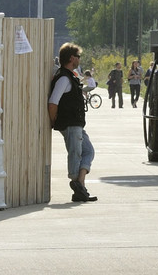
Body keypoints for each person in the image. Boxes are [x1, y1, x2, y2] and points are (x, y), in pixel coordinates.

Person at [48, 43, 97, 202]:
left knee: (88, 151)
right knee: (75, 154)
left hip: (77, 123)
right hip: (70, 123)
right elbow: (53, 102)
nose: (79, 59)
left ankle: (80, 185)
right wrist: (53, 120)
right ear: (71, 58)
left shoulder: (70, 76)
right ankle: (78, 188)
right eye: (78, 56)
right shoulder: (64, 78)